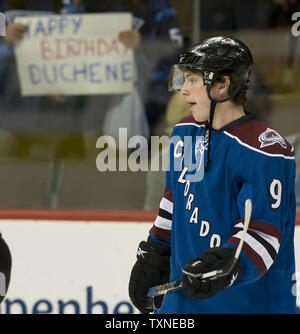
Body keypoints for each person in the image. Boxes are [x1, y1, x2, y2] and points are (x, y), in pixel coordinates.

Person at [128, 36, 297, 314]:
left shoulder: (265, 149)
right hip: (184, 305)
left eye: (193, 80)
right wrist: (156, 252)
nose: (183, 90)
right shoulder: (185, 133)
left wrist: (230, 264)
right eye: (183, 80)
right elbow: (173, 203)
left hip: (251, 306)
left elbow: (262, 234)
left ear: (222, 85)